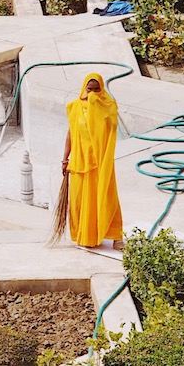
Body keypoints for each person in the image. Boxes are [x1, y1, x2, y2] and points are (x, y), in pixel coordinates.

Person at [61, 73, 124, 249]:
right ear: (84, 89)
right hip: (80, 163)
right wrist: (65, 159)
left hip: (100, 163)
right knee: (79, 201)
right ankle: (86, 235)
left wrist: (97, 106)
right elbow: (71, 134)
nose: (93, 93)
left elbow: (110, 130)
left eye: (97, 89)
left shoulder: (108, 107)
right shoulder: (74, 107)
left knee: (106, 198)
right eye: (90, 89)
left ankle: (116, 235)